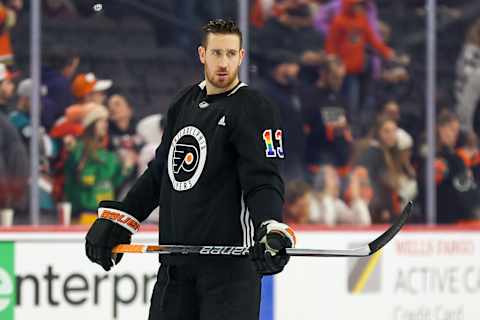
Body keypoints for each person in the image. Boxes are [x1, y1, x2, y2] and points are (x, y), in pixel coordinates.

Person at [85, 19, 296, 320]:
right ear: (202, 54)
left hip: (229, 272)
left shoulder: (254, 108)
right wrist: (121, 217)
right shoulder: (183, 103)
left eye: (230, 54)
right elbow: (162, 172)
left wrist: (271, 226)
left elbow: (263, 178)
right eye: (216, 53)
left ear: (241, 56)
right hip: (175, 267)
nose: (223, 63)